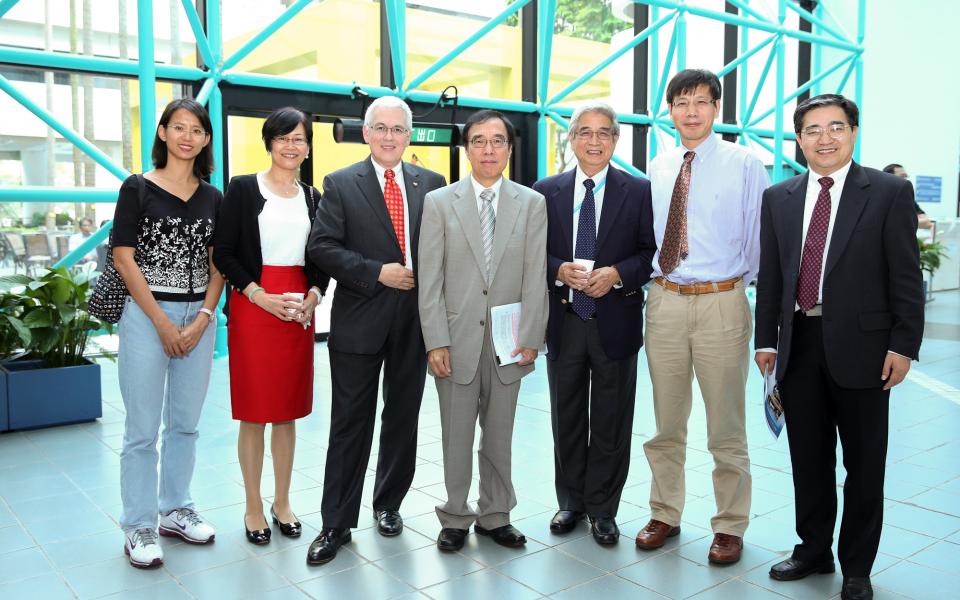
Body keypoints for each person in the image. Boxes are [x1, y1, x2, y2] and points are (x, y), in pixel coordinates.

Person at [755, 94, 924, 600]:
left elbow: (906, 276)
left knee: (864, 464)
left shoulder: (889, 192)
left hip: (867, 349)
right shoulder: (780, 196)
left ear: (853, 132)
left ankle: (857, 567)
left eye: (835, 127)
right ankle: (812, 550)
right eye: (812, 129)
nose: (823, 138)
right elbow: (773, 277)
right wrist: (766, 340)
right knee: (808, 459)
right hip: (799, 342)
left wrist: (904, 345)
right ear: (799, 139)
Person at [305, 96, 446, 564]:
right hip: (360, 320)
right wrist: (376, 271)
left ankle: (389, 505)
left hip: (416, 322)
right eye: (380, 128)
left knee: (403, 420)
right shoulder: (341, 184)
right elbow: (321, 248)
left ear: (409, 136)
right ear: (366, 133)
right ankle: (336, 523)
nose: (389, 137)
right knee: (350, 424)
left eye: (398, 129)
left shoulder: (433, 184)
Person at [636, 69, 769, 565]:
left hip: (722, 302)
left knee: (726, 426)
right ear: (668, 110)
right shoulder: (660, 164)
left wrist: (735, 291)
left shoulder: (745, 164)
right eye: (681, 102)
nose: (691, 112)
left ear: (717, 108)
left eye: (701, 102)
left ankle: (730, 525)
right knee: (666, 422)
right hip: (665, 299)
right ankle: (664, 513)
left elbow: (759, 242)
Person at [418, 109, 548, 552]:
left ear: (510, 149)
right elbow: (430, 278)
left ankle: (495, 515)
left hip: (509, 342)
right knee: (456, 434)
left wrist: (531, 336)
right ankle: (455, 515)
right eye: (479, 140)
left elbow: (534, 275)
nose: (488, 149)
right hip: (455, 341)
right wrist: (435, 339)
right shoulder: (439, 202)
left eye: (498, 141)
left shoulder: (532, 203)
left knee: (499, 433)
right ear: (467, 148)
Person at [532, 101, 656, 545]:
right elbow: (531, 252)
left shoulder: (638, 190)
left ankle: (603, 509)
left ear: (616, 140)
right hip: (564, 320)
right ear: (572, 138)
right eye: (585, 132)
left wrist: (618, 273)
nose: (594, 141)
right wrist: (557, 269)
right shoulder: (545, 191)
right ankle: (571, 502)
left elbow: (648, 253)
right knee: (566, 416)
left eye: (604, 133)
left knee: (611, 419)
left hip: (615, 321)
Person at [112, 98, 224, 568]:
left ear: (205, 140)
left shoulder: (214, 197)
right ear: (162, 133)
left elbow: (221, 261)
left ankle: (175, 508)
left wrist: (204, 316)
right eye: (178, 127)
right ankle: (138, 525)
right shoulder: (137, 188)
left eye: (196, 130)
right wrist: (161, 321)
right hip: (145, 315)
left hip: (197, 315)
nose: (187, 136)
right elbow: (123, 256)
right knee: (141, 430)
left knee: (185, 424)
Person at [213, 107, 329, 545]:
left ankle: (283, 502)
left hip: (298, 307)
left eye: (299, 138)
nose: (291, 145)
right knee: (255, 413)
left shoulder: (314, 197)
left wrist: (314, 297)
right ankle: (252, 507)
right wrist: (258, 294)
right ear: (269, 141)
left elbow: (321, 256)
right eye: (283, 137)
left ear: (308, 146)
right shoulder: (243, 188)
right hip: (253, 302)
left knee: (287, 412)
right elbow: (224, 252)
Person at [882, 163, 932, 229]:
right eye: (902, 176)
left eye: (906, 176)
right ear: (889, 178)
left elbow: (927, 223)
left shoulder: (908, 199)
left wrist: (903, 223)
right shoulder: (880, 199)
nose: (906, 180)